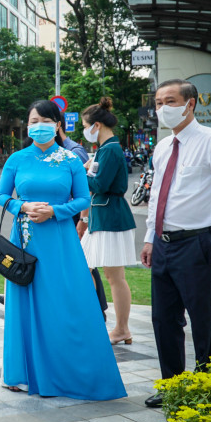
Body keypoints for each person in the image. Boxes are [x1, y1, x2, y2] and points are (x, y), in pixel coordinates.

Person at [0, 99, 125, 400]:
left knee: (69, 301)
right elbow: (2, 196)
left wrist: (55, 211)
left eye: (44, 121)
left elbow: (83, 201)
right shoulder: (17, 159)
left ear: (58, 124)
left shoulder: (70, 161)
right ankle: (22, 373)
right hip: (25, 240)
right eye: (32, 121)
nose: (38, 126)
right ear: (27, 127)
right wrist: (23, 205)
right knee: (26, 301)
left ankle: (69, 369)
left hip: (62, 240)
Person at [141, 79, 211, 409]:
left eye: (170, 101)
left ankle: (208, 387)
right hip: (163, 245)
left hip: (198, 243)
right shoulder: (163, 147)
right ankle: (173, 386)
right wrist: (150, 237)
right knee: (163, 319)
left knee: (202, 318)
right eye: (159, 102)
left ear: (191, 104)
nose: (163, 108)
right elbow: (155, 198)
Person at [78, 97, 137, 345]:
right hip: (103, 215)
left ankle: (121, 328)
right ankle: (96, 320)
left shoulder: (110, 149)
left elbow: (100, 185)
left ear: (97, 125)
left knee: (114, 276)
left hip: (110, 215)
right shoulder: (105, 149)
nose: (85, 131)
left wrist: (80, 172)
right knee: (86, 267)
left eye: (85, 125)